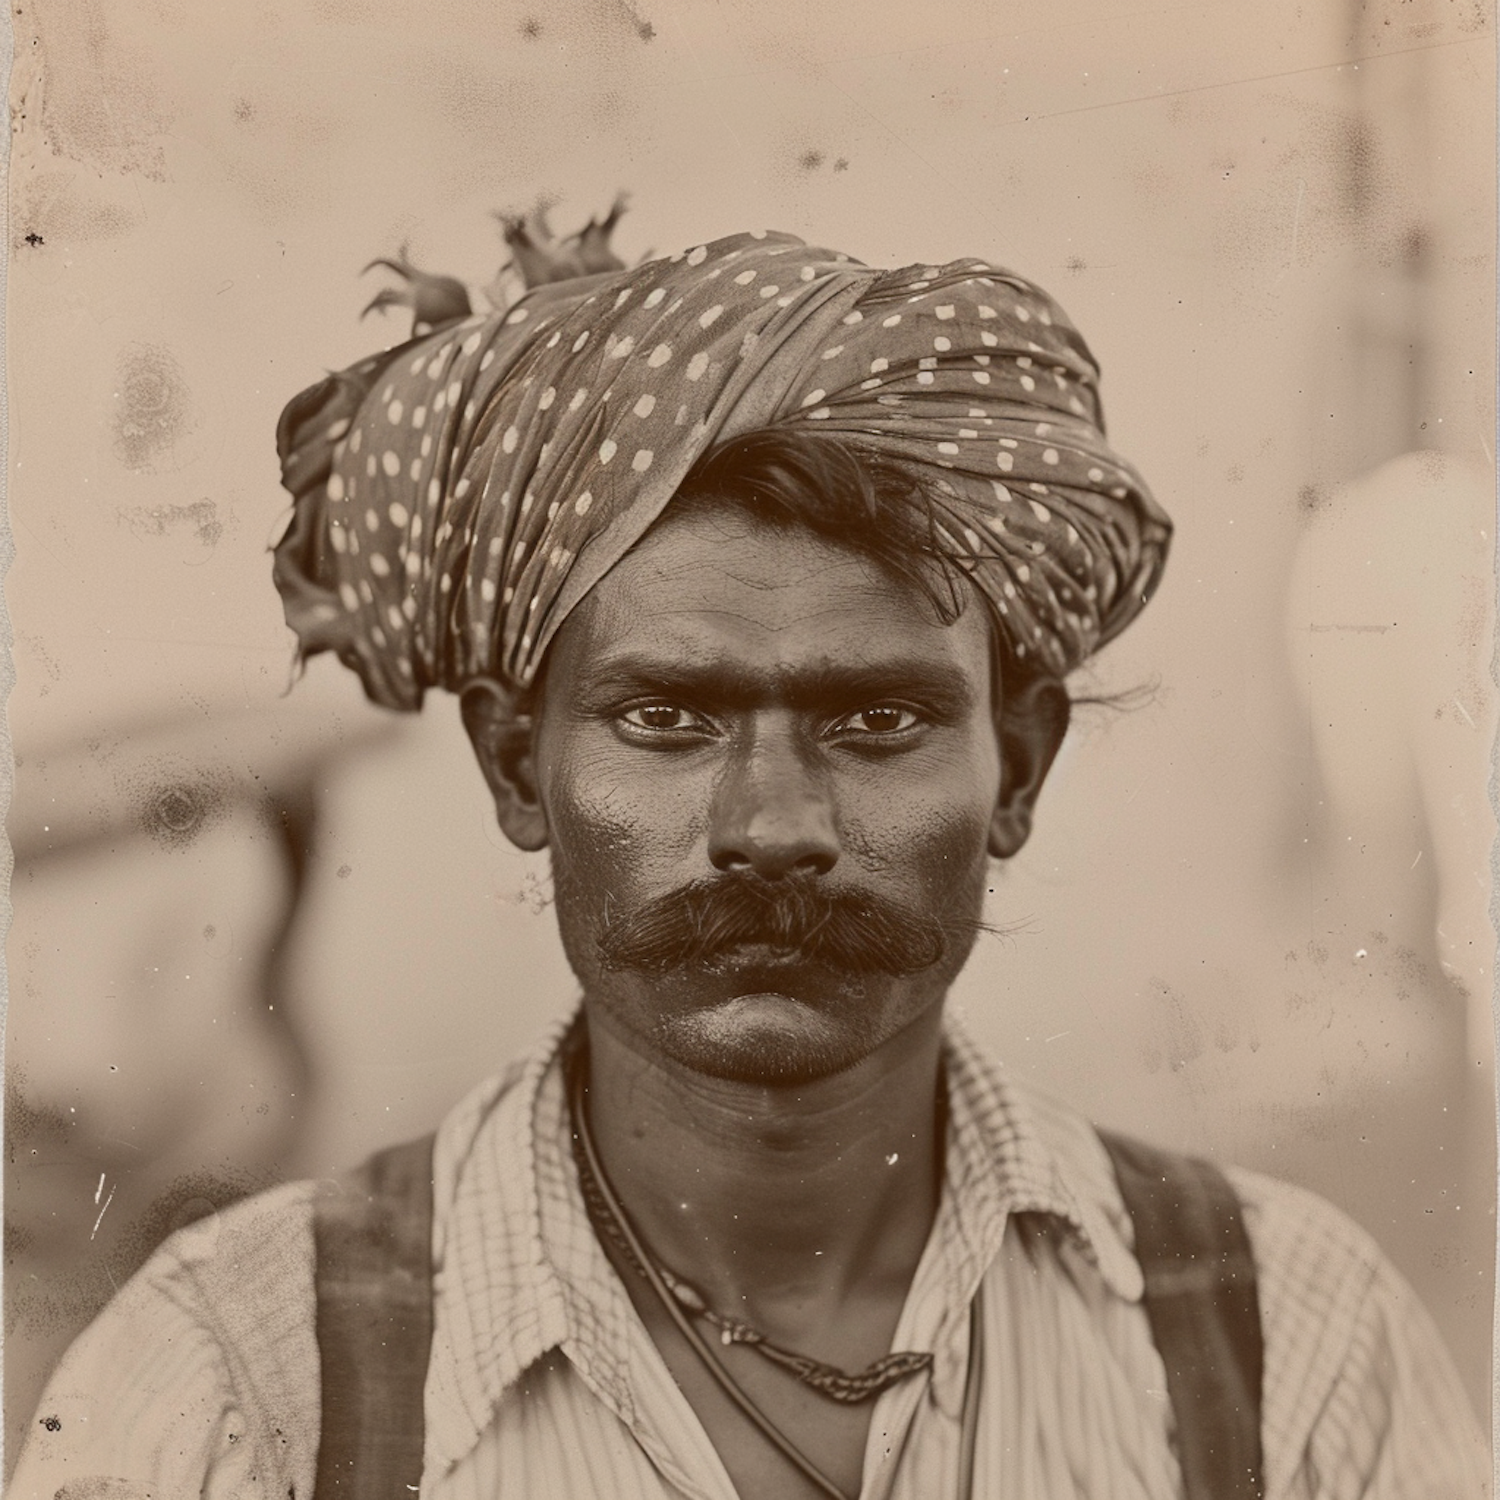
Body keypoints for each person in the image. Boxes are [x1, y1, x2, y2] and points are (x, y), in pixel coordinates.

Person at [11, 227, 1488, 1500]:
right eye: (664, 718)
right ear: (516, 766)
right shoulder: (232, 1379)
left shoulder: (1291, 1344)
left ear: (1019, 765)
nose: (770, 824)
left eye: (877, 719)